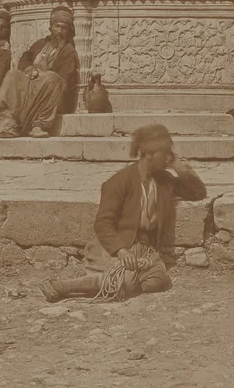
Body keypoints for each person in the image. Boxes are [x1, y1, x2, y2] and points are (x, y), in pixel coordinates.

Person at [40, 124, 207, 303]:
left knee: (160, 279)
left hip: (144, 250)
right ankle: (63, 286)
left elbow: (197, 192)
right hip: (116, 245)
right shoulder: (119, 181)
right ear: (149, 154)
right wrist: (121, 252)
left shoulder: (164, 180)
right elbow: (102, 223)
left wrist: (178, 165)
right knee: (127, 280)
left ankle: (115, 280)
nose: (168, 157)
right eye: (164, 153)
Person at [0, 6, 79, 138]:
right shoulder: (39, 44)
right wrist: (30, 69)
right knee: (12, 74)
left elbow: (63, 81)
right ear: (51, 28)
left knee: (53, 78)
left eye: (64, 27)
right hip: (30, 86)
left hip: (50, 95)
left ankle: (39, 125)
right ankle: (9, 124)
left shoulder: (69, 52)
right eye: (57, 26)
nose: (59, 31)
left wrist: (42, 73)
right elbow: (24, 60)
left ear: (69, 31)